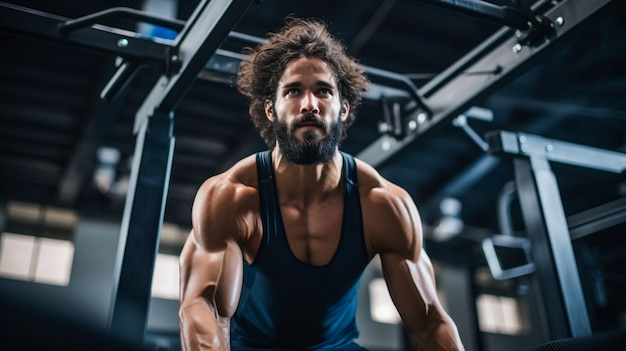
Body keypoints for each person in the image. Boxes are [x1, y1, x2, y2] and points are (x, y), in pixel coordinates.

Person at [179, 17, 465, 351]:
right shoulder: (231, 197)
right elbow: (204, 309)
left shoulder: (383, 204)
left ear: (343, 109)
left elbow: (428, 321)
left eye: (323, 91)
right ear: (271, 109)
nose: (309, 104)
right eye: (293, 91)